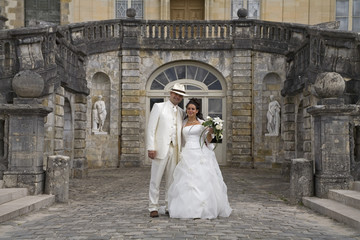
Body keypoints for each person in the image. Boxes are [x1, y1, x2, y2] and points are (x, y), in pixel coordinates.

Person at [168, 98, 232, 219]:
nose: (190, 111)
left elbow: (208, 141)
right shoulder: (182, 123)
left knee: (202, 180)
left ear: (197, 111)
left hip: (200, 153)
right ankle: (187, 208)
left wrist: (211, 132)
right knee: (186, 181)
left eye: (193, 109)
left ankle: (204, 208)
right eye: (188, 109)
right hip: (187, 153)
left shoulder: (203, 123)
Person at [146, 83, 186, 218]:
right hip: (160, 148)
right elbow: (151, 129)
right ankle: (153, 207)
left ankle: (169, 206)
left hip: (175, 149)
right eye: (175, 94)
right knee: (155, 179)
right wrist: (150, 147)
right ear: (170, 93)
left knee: (171, 180)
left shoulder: (181, 112)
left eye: (180, 95)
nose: (177, 97)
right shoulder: (158, 107)